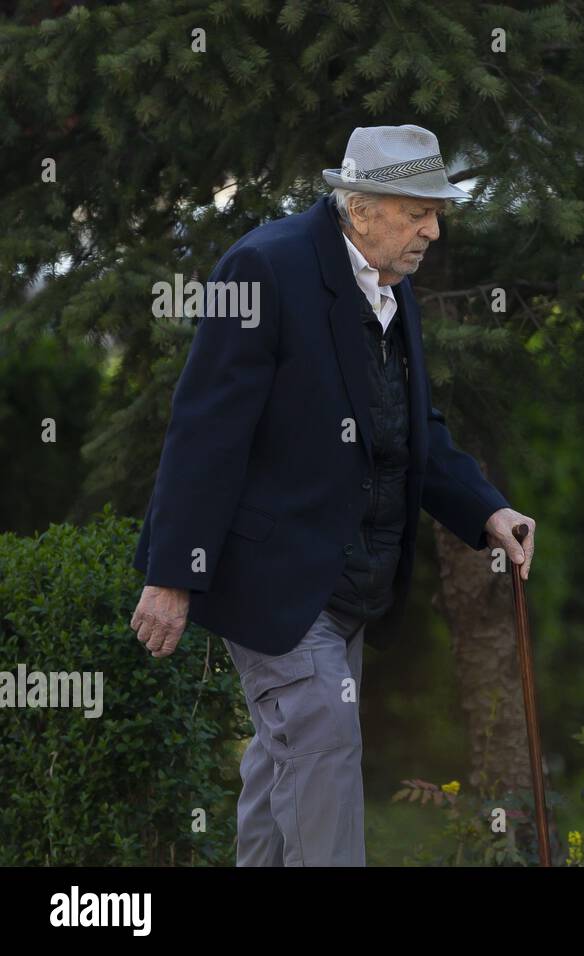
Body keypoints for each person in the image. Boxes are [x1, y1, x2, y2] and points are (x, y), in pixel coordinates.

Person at [129, 124, 536, 866]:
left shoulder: (388, 286)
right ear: (365, 205)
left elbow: (412, 428)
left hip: (350, 585)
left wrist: (485, 509)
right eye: (420, 212)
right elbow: (204, 431)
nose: (433, 231)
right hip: (274, 579)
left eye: (436, 213)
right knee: (321, 748)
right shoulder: (263, 268)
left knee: (283, 767)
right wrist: (170, 574)